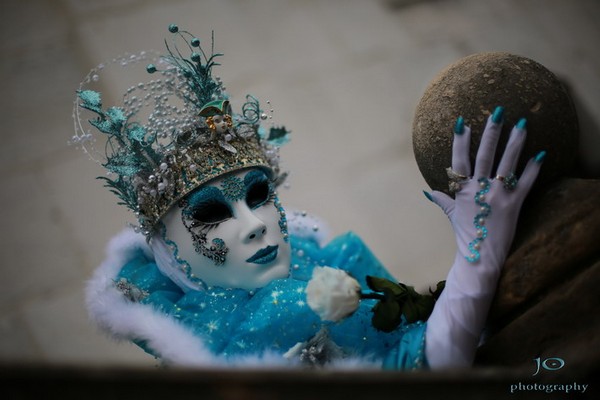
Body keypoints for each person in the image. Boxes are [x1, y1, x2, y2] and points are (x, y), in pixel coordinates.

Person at [76, 25, 543, 369]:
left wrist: (475, 262)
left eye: (258, 195)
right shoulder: (222, 352)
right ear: (169, 254)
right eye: (212, 215)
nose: (255, 223)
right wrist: (476, 264)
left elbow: (413, 348)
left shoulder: (329, 259)